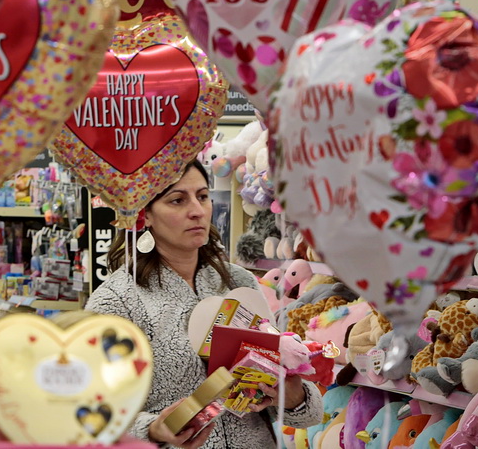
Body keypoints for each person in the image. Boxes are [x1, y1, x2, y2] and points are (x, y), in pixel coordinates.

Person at [85, 160, 324, 449]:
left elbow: (299, 407)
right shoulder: (118, 300)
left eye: (202, 196)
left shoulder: (239, 282)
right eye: (177, 200)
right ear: (144, 214)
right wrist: (152, 428)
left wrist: (291, 394)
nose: (197, 211)